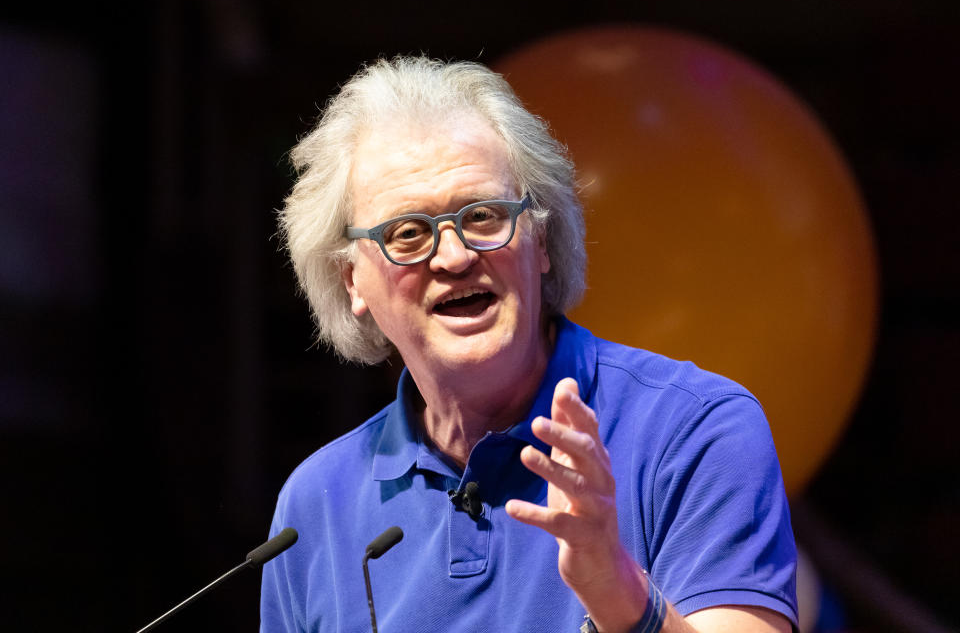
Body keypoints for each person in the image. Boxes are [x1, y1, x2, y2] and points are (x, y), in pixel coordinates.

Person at [261, 56, 797, 633]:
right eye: (408, 233)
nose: (455, 256)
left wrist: (616, 591)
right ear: (352, 283)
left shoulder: (695, 430)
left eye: (485, 215)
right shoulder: (314, 504)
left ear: (539, 240)